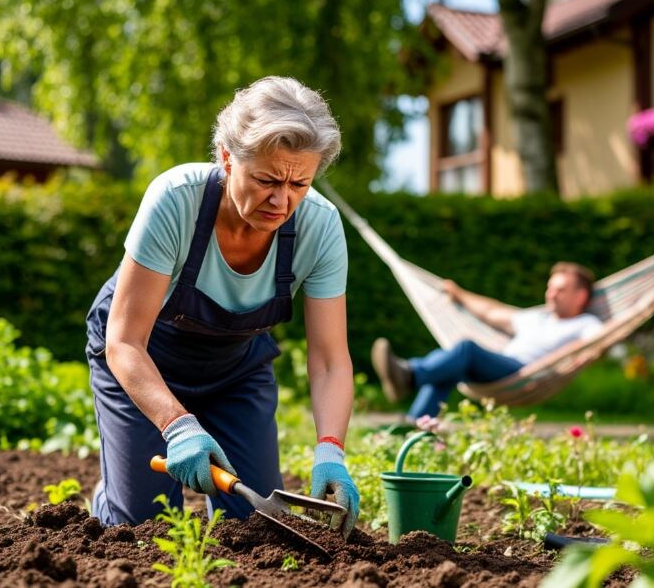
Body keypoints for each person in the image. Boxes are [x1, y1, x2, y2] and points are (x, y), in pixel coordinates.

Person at [85, 76, 359, 538]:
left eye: (300, 183)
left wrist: (330, 448)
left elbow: (330, 359)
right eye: (267, 179)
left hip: (236, 370)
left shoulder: (320, 227)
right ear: (227, 158)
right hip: (144, 360)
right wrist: (177, 425)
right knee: (144, 527)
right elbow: (125, 341)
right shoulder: (176, 200)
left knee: (255, 528)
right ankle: (113, 491)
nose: (282, 199)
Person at [371, 262, 603, 421]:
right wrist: (460, 293)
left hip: (527, 372)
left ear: (580, 296)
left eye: (560, 290)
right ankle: (414, 426)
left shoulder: (586, 324)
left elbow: (596, 344)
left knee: (466, 349)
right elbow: (492, 312)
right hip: (504, 366)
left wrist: (580, 356)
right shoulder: (535, 317)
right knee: (448, 368)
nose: (550, 294)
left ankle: (410, 375)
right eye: (550, 288)